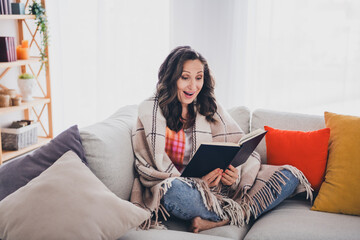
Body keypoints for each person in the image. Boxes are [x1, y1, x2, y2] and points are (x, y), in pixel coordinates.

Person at [130, 46, 312, 233]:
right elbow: (149, 169)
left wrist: (234, 175)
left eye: (199, 78)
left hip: (221, 189)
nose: (193, 86)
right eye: (185, 77)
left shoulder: (209, 105)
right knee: (172, 191)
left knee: (288, 177)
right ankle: (234, 215)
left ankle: (219, 220)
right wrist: (199, 183)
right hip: (185, 189)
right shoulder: (150, 112)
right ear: (171, 78)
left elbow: (238, 145)